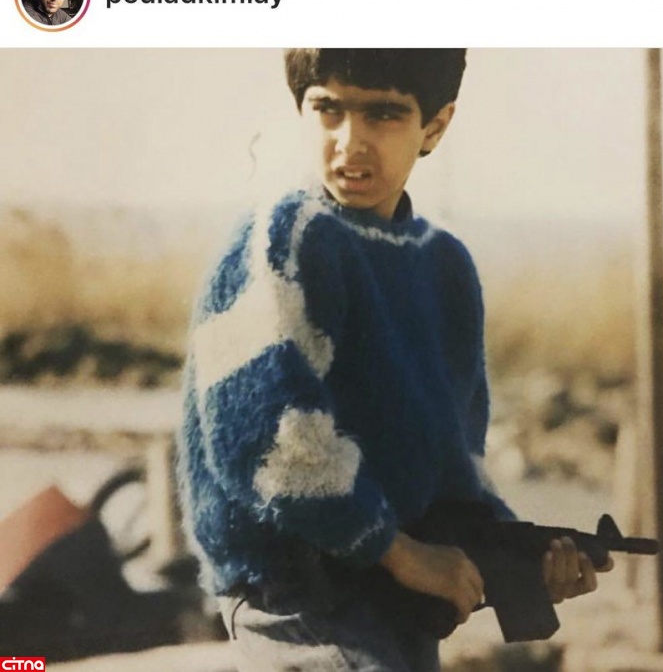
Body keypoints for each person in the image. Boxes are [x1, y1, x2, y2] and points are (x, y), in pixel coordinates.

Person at [177, 49, 612, 672]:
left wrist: (515, 553)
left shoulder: (443, 266)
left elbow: (454, 466)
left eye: (383, 114)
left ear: (434, 126)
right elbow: (265, 439)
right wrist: (400, 553)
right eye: (329, 109)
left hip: (395, 598)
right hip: (296, 596)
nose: (350, 142)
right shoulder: (287, 237)